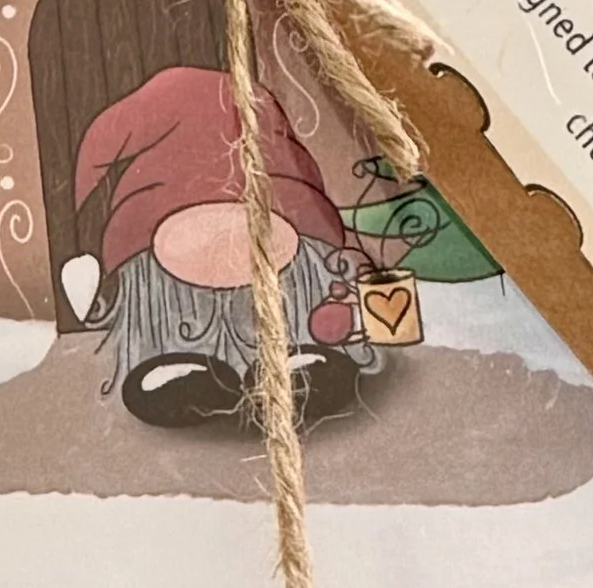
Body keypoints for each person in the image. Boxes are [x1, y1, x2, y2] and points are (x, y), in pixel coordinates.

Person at [72, 63, 374, 430]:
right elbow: (101, 146)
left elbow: (100, 145)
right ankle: (189, 366)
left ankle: (241, 365)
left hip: (268, 226)